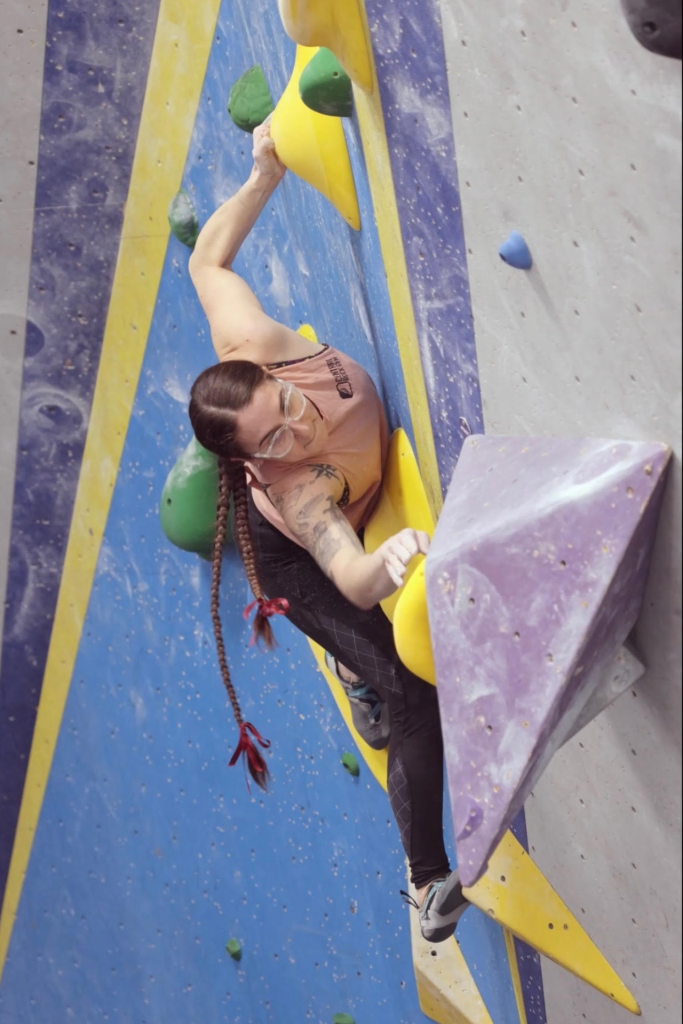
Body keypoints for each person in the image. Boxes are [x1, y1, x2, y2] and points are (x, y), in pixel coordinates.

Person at [186, 120, 467, 943]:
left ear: (270, 373)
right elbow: (345, 574)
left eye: (286, 409)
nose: (297, 429)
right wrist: (383, 563)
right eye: (271, 442)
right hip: (296, 559)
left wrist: (262, 175)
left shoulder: (257, 347)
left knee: (387, 674)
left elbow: (206, 262)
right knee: (413, 692)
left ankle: (355, 667)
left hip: (308, 508)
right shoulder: (300, 489)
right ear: (251, 462)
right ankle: (423, 882)